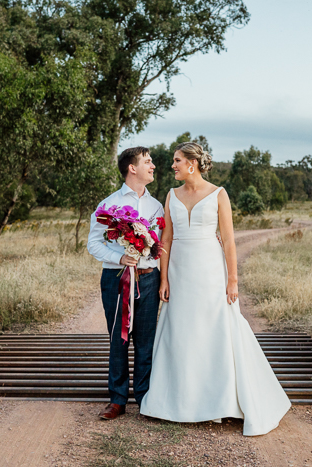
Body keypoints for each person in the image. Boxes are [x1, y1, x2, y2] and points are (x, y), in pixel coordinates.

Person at [139, 142, 291, 436]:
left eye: (177, 161)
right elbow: (166, 241)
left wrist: (232, 279)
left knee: (214, 328)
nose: (173, 165)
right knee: (180, 330)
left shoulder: (219, 194)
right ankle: (177, 402)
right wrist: (164, 278)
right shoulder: (171, 196)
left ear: (192, 164)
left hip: (210, 270)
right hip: (180, 271)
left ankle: (220, 401)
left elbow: (230, 240)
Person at [87, 147, 164, 420]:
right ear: (132, 168)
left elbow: (163, 245)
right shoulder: (109, 204)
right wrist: (119, 257)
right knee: (118, 339)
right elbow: (93, 243)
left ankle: (144, 399)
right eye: (147, 161)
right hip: (116, 279)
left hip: (148, 279)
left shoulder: (157, 207)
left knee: (146, 342)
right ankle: (117, 400)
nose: (152, 165)